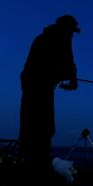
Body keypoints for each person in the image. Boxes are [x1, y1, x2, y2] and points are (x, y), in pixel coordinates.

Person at [18, 15, 80, 172]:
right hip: (39, 86)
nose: (72, 35)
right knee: (43, 125)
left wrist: (66, 78)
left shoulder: (43, 37)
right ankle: (38, 163)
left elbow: (64, 63)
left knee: (30, 123)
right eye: (71, 31)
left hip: (34, 84)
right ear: (66, 29)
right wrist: (72, 81)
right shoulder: (61, 39)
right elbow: (68, 62)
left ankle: (29, 159)